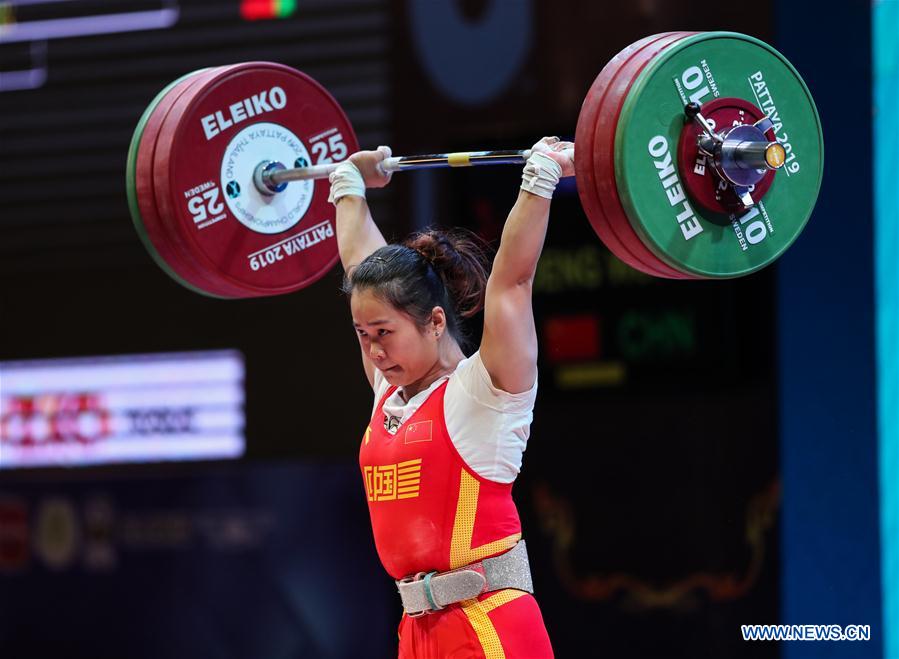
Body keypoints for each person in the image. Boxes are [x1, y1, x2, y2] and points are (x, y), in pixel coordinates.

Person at [331, 137, 573, 658]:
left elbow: (512, 283)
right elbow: (359, 265)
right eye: (361, 334)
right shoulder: (388, 393)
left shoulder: (484, 393)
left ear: (435, 322)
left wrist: (541, 179)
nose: (373, 351)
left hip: (489, 624)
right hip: (417, 632)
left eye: (384, 333)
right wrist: (348, 185)